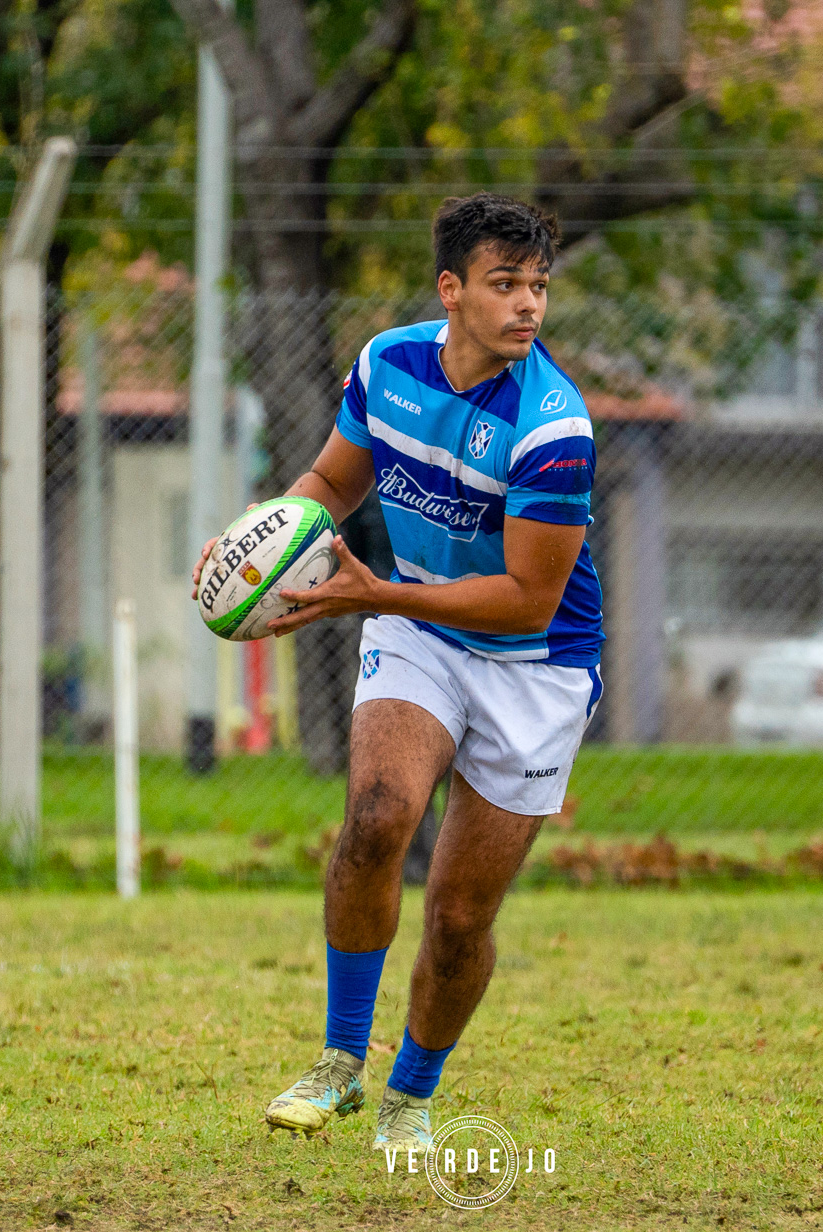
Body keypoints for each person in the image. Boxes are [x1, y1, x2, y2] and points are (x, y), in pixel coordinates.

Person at [192, 192, 603, 1150]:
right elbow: (332, 484)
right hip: (420, 628)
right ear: (450, 289)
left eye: (539, 286)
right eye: (506, 283)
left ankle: (409, 1098)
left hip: (536, 665)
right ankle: (340, 1063)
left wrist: (375, 595)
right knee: (377, 819)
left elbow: (526, 600)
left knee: (459, 917)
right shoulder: (388, 365)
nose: (528, 305)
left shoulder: (554, 427)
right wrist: (261, 541)